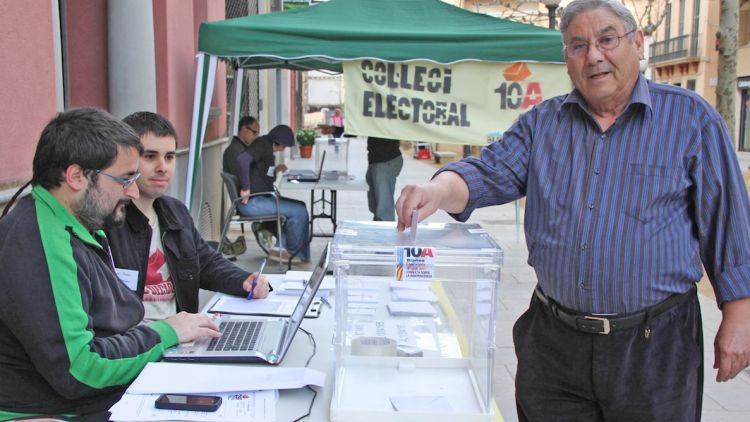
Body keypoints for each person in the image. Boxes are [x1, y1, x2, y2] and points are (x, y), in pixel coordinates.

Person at [395, 1, 750, 420]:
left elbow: (727, 222)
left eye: (606, 39)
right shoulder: (542, 124)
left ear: (637, 43)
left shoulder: (691, 120)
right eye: (578, 45)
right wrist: (437, 189)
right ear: (566, 59)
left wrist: (739, 315)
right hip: (554, 345)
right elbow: (488, 172)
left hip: (654, 346)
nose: (594, 55)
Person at [0, 108, 221, 419]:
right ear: (76, 177)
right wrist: (165, 333)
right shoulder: (41, 242)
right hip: (58, 410)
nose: (132, 192)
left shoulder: (74, 224)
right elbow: (81, 370)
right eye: (124, 179)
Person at [105, 111, 269, 321]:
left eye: (169, 157)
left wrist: (244, 280)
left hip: (183, 340)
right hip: (138, 346)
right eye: (149, 156)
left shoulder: (175, 212)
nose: (162, 167)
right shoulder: (107, 222)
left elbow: (206, 262)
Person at [223, 117, 310, 263]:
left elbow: (263, 174)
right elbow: (242, 160)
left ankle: (284, 250)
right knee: (299, 212)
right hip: (253, 202)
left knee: (300, 207)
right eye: (284, 146)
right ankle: (292, 253)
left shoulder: (266, 148)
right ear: (280, 143)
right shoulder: (263, 144)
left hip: (261, 198)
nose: (283, 149)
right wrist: (245, 188)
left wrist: (275, 170)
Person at [365, 136, 403, 221]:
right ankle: (379, 230)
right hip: (376, 160)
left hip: (386, 160)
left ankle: (386, 232)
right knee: (376, 207)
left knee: (384, 210)